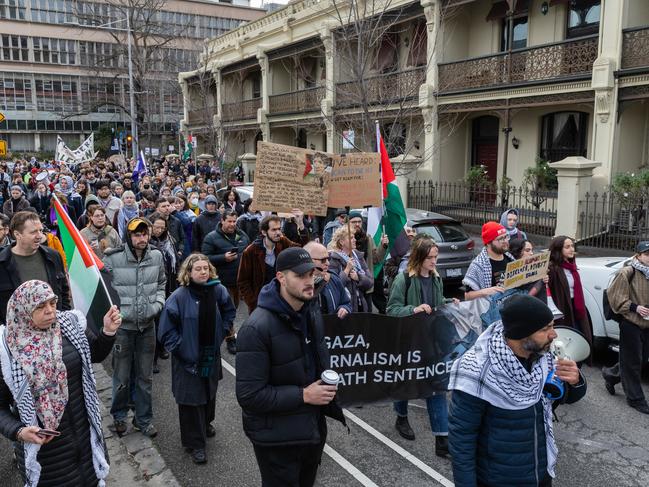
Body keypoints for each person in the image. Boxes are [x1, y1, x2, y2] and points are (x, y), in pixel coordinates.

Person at [448, 295, 587, 487]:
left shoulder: (545, 356)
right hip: (499, 480)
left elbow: (564, 397)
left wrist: (575, 381)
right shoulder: (477, 369)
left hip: (541, 474)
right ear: (523, 334)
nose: (554, 335)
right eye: (545, 329)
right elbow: (462, 439)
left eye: (552, 326)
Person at [236, 247, 345, 487]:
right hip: (276, 440)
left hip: (310, 430)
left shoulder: (310, 310)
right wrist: (304, 395)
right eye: (300, 276)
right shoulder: (256, 329)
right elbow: (249, 396)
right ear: (281, 278)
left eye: (311, 274)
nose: (309, 281)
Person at [0, 280, 122, 486]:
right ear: (23, 310)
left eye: (52, 303)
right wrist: (18, 431)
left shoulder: (69, 325)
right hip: (47, 456)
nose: (50, 311)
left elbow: (96, 353)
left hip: (84, 439)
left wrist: (108, 331)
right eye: (40, 306)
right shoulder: (6, 350)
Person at [158, 254, 236, 464]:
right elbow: (166, 332)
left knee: (209, 394)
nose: (203, 272)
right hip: (187, 359)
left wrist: (224, 330)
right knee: (191, 401)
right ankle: (195, 445)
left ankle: (206, 423)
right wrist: (182, 348)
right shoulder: (178, 297)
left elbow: (229, 310)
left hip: (210, 355)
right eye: (198, 269)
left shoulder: (218, 290)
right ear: (188, 273)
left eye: (206, 268)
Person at [386, 237, 458, 455]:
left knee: (436, 388)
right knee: (406, 383)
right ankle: (401, 417)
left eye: (436, 257)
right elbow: (392, 309)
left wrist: (448, 303)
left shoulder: (436, 278)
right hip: (409, 342)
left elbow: (436, 304)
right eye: (430, 258)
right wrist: (413, 310)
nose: (435, 261)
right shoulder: (403, 279)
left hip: (431, 342)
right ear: (419, 257)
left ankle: (442, 440)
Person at [103, 217, 166, 438]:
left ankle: (143, 419)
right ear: (129, 236)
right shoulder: (114, 258)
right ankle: (119, 417)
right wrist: (118, 313)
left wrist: (157, 305)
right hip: (123, 329)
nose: (141, 238)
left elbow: (161, 283)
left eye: (144, 234)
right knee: (121, 376)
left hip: (147, 327)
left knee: (145, 377)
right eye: (136, 234)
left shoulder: (156, 256)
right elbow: (104, 289)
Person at [602, 241, 649, 414]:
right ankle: (635, 399)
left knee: (641, 359)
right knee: (633, 362)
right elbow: (616, 298)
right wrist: (635, 307)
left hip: (647, 324)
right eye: (647, 254)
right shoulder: (627, 272)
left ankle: (611, 375)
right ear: (638, 255)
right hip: (631, 323)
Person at [0, 211, 71, 324]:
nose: (40, 236)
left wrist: (64, 320)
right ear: (17, 235)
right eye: (33, 232)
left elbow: (64, 292)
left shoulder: (53, 256)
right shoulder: (2, 263)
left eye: (41, 230)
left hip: (54, 327)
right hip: (16, 334)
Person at [238, 214, 308, 314]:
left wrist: (300, 224)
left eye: (279, 229)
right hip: (261, 304)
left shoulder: (283, 242)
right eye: (274, 230)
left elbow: (302, 248)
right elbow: (243, 281)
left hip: (282, 300)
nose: (278, 233)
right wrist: (253, 303)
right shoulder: (250, 251)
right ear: (264, 232)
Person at [202, 210, 250, 354]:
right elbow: (204, 258)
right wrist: (223, 258)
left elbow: (249, 252)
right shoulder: (211, 237)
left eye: (234, 221)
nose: (232, 224)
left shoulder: (242, 235)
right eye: (229, 221)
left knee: (233, 309)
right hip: (222, 282)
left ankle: (223, 330)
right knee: (227, 310)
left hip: (239, 281)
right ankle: (230, 338)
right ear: (222, 220)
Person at [547, 235, 592, 344]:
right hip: (563, 308)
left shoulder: (571, 266)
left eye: (572, 246)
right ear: (558, 249)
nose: (572, 249)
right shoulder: (552, 268)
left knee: (582, 336)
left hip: (576, 306)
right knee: (568, 340)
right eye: (567, 247)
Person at [149, 213, 179, 373]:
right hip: (152, 289)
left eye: (162, 227)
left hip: (168, 285)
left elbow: (174, 263)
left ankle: (161, 348)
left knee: (164, 321)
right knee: (153, 324)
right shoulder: (146, 243)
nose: (159, 230)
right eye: (156, 227)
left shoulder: (169, 241)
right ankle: (152, 358)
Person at [463, 221, 514, 300]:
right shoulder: (478, 265)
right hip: (491, 310)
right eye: (501, 239)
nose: (505, 241)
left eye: (506, 237)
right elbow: (467, 296)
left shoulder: (510, 258)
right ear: (488, 243)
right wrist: (486, 291)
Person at [328, 225, 374, 312]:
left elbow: (370, 282)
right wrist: (346, 270)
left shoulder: (358, 256)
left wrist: (358, 277)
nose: (355, 240)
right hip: (344, 308)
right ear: (341, 242)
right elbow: (334, 285)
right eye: (351, 238)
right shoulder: (333, 259)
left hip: (361, 304)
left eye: (354, 237)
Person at [349, 210, 388, 312]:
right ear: (347, 223)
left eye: (359, 221)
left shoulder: (368, 239)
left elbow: (376, 259)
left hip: (366, 285)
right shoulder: (342, 239)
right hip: (350, 287)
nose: (357, 224)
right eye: (354, 222)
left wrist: (383, 246)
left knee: (367, 317)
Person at [304, 241, 351, 318]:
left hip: (333, 328)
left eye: (328, 258)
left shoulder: (334, 279)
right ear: (309, 260)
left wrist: (344, 308)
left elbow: (346, 302)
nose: (328, 263)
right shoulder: (298, 284)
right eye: (323, 260)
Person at [508, 238, 547, 302]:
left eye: (532, 250)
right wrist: (541, 281)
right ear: (517, 251)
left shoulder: (536, 267)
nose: (531, 253)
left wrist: (544, 278)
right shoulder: (510, 271)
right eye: (527, 250)